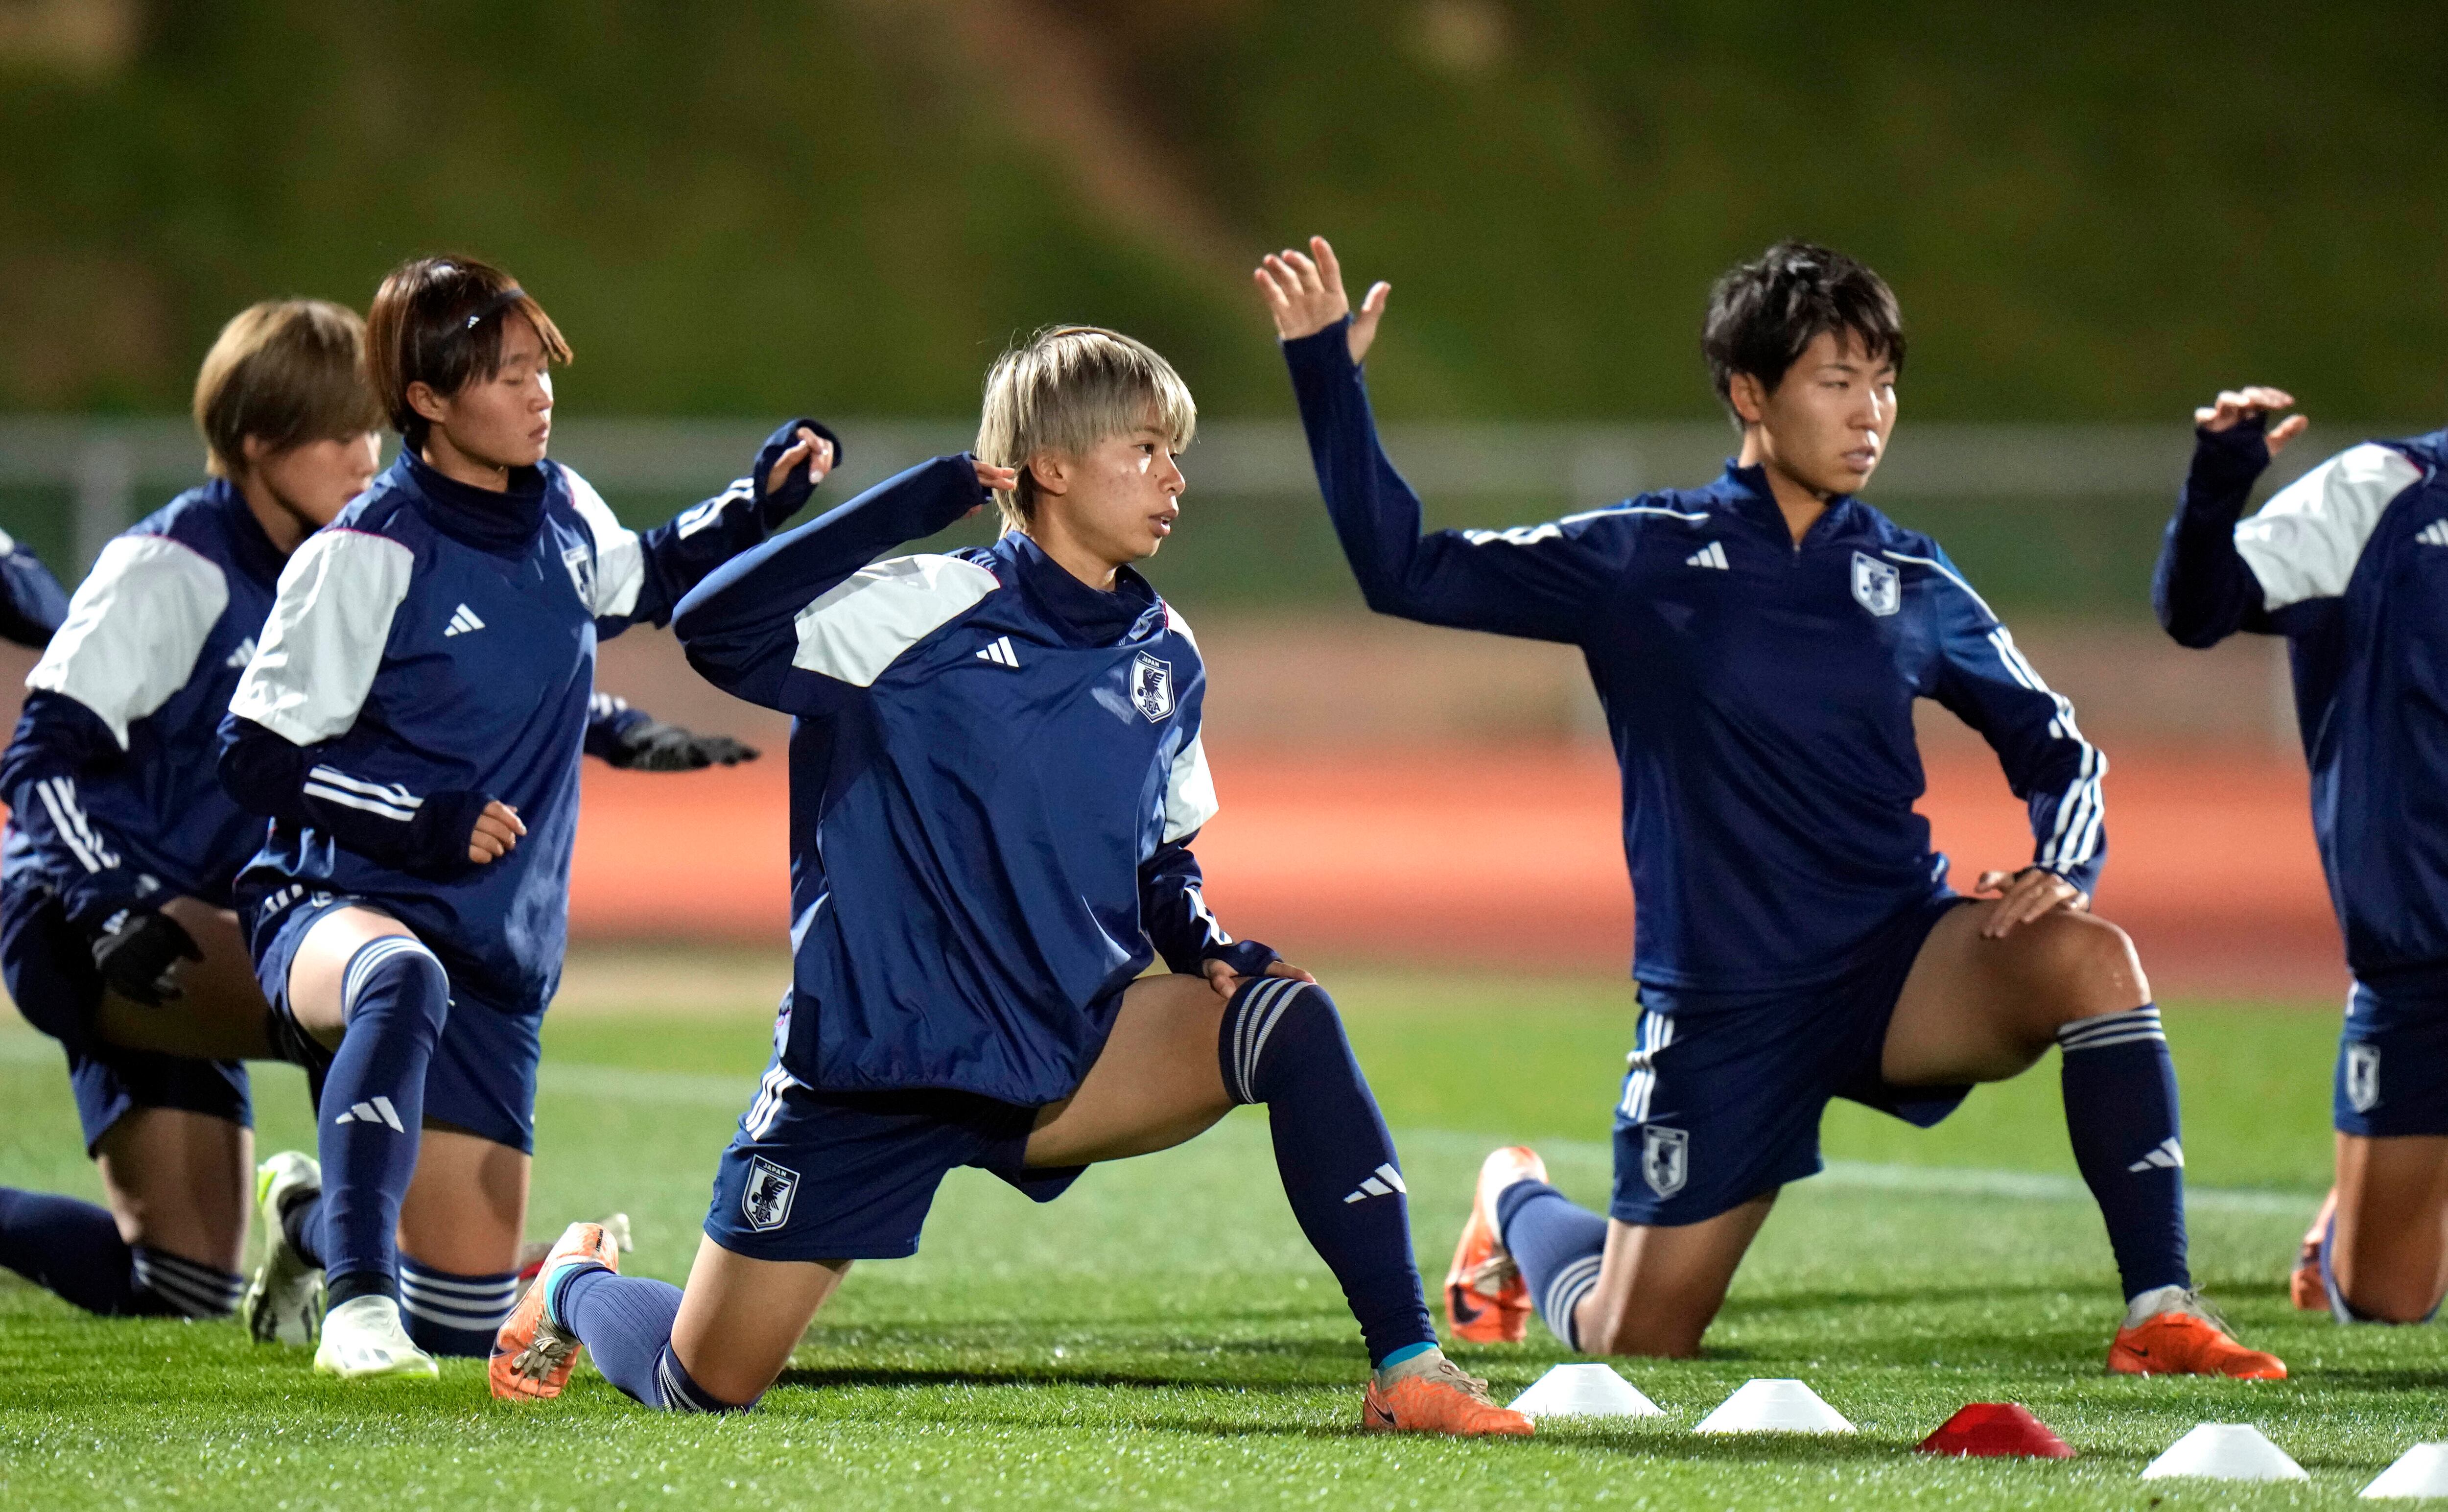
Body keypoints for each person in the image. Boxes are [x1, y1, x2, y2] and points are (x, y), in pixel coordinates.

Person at [1254, 236, 2283, 1378]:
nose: (1870, 412)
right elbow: (1403, 569)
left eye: (1884, 383)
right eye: (1837, 382)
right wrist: (1327, 374)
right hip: (1725, 1004)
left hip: (1896, 968)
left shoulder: (1913, 579)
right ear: (1750, 393)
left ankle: (2160, 1306)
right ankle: (1514, 1200)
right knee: (1633, 1335)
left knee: (2090, 958)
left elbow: (2057, 744)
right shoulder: (1641, 555)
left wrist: (2063, 862)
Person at [488, 325, 1532, 1438]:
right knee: (702, 1385)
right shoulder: (918, 604)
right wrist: (910, 503)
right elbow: (712, 626)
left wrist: (1203, 942)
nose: (1174, 478)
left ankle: (1406, 1365)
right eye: (1145, 449)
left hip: (1063, 1054)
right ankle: (574, 1282)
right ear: (1051, 465)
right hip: (876, 1069)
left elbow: (1161, 852)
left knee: (1285, 1018)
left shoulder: (1165, 649)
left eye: (1174, 453)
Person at [0, 298, 749, 1333]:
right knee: (389, 989)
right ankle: (365, 1279)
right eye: (335, 435)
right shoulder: (170, 569)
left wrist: (610, 724)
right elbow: (38, 758)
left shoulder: (356, 555)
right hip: (95, 918)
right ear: (257, 444)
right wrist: (104, 904)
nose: (364, 457)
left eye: (369, 431)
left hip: (214, 915)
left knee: (181, 1287)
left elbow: (431, 699)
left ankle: (317, 1227)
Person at [214, 257, 832, 1380]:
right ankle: (354, 1310)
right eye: (506, 374)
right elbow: (252, 753)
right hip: (337, 899)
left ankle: (307, 1222)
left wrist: (760, 501)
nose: (539, 392)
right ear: (427, 398)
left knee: (461, 1325)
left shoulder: (562, 506)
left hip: (498, 937)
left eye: (540, 367)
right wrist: (421, 818)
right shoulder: (366, 548)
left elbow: (645, 577)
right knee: (401, 978)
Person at [2152, 386, 2448, 1325]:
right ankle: (2356, 1214)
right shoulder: (2381, 493)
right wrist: (2217, 489)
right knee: (2382, 1301)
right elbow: (2198, 610)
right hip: (2423, 957)